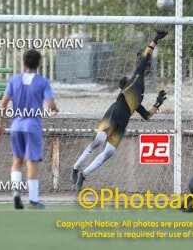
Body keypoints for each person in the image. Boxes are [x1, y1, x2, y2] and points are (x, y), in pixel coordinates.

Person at [71, 30, 168, 190]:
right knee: (99, 140)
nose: (131, 75)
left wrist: (157, 104)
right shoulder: (136, 79)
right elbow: (145, 57)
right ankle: (76, 167)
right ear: (126, 83)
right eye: (128, 77)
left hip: (122, 123)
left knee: (109, 152)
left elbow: (147, 116)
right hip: (114, 113)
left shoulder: (139, 98)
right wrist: (155, 39)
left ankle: (84, 174)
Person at [0, 49, 59, 210]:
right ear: (39, 64)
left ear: (23, 63)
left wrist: (0, 124)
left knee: (16, 161)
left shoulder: (14, 80)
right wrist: (54, 109)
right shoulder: (42, 82)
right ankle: (33, 201)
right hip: (32, 126)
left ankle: (16, 195)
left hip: (16, 126)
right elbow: (50, 104)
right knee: (31, 164)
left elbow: (3, 104)